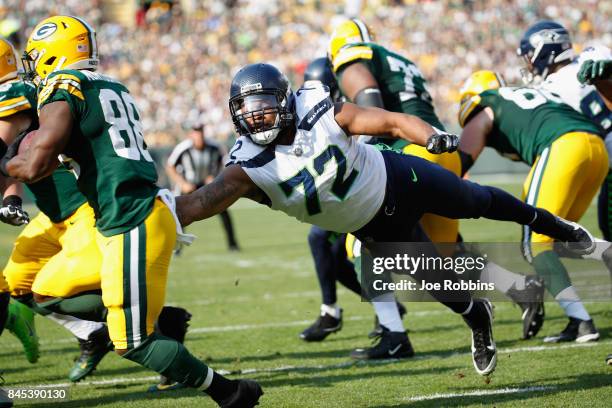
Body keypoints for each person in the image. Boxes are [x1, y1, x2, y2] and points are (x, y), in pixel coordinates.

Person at [176, 62, 595, 376]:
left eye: (264, 107)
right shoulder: (244, 167)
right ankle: (478, 317)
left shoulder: (321, 112)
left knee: (477, 199)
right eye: (247, 110)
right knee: (442, 287)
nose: (256, 117)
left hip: (400, 178)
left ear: (284, 102)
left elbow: (392, 122)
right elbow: (197, 205)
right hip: (375, 226)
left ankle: (556, 227)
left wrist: (428, 137)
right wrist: (154, 212)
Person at [9, 15, 261, 407]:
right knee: (44, 292)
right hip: (126, 217)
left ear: (52, 55)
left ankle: (230, 394)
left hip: (131, 218)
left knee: (133, 342)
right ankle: (157, 322)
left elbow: (36, 164)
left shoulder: (64, 86)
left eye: (36, 56)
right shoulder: (110, 85)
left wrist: (7, 162)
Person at [457, 70, 607, 343]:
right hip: (595, 148)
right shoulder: (526, 97)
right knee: (561, 238)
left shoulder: (485, 104)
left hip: (563, 145)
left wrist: (445, 181)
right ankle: (606, 252)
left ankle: (581, 321)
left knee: (536, 243)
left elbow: (464, 156)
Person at [298, 56, 407, 344]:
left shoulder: (350, 107)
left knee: (430, 254)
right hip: (359, 189)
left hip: (384, 183)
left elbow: (369, 141)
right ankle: (366, 312)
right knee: (329, 250)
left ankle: (511, 290)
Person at [517, 21, 612, 243]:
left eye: (530, 56)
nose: (529, 63)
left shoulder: (548, 88)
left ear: (544, 50)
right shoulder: (593, 53)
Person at [166, 123, 239, 251]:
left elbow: (227, 163)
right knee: (180, 214)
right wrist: (183, 183)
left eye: (200, 133)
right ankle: (176, 249)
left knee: (223, 209)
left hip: (207, 183)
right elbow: (170, 166)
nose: (199, 137)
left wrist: (216, 177)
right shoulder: (183, 148)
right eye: (196, 133)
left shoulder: (214, 146)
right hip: (188, 184)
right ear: (191, 135)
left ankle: (232, 244)